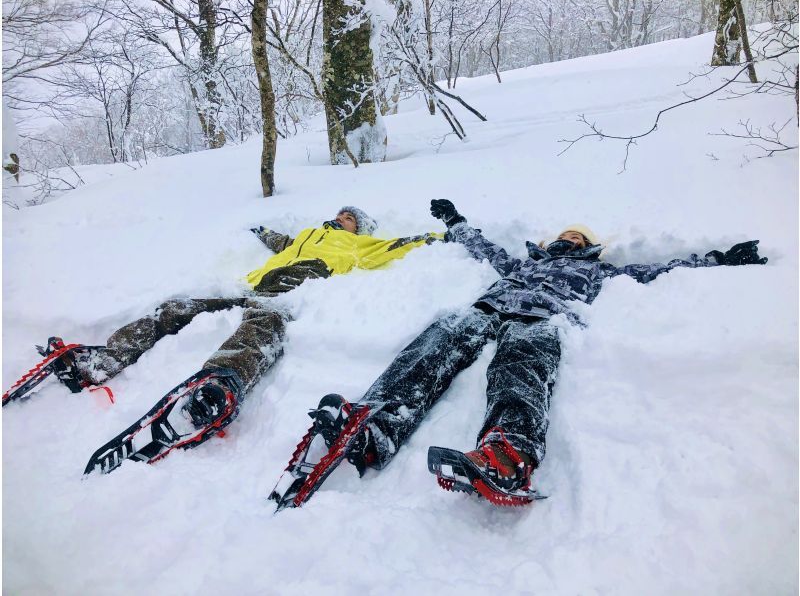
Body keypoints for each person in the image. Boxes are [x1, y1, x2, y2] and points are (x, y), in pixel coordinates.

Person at [322, 199, 768, 505]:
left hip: (544, 318)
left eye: (578, 238)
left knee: (520, 368)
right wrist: (456, 221)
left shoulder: (601, 271)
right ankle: (375, 424)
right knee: (435, 342)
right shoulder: (526, 262)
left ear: (588, 247)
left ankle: (507, 452)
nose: (569, 239)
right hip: (489, 305)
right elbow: (485, 248)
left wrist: (720, 259)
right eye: (565, 234)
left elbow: (664, 268)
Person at [76, 206, 437, 428]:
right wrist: (262, 231)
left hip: (301, 279)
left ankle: (223, 382)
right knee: (177, 308)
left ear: (359, 229)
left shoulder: (357, 245)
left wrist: (439, 234)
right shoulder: (310, 234)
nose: (343, 217)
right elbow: (282, 242)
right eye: (342, 213)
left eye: (351, 218)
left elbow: (396, 245)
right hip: (256, 283)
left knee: (264, 320)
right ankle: (109, 356)